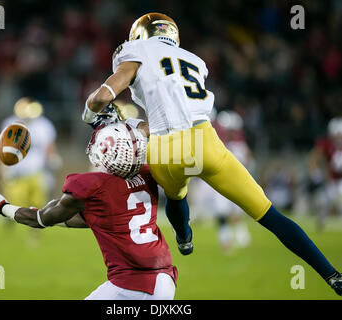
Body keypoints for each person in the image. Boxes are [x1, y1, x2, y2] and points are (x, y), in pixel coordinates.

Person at [81, 12, 342, 296]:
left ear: (141, 34)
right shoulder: (194, 60)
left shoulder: (135, 51)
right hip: (206, 140)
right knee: (270, 215)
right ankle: (332, 275)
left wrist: (89, 110)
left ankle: (184, 238)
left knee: (177, 195)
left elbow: (104, 97)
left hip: (166, 147)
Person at [0, 122, 177, 300]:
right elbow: (90, 219)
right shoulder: (148, 173)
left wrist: (5, 208)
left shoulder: (96, 185)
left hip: (132, 283)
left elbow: (42, 218)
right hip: (165, 278)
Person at [189, 111, 253, 252]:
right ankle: (227, 242)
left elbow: (246, 162)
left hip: (236, 182)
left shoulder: (238, 147)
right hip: (221, 183)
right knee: (222, 213)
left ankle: (242, 238)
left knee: (235, 213)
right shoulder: (220, 144)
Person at [308, 117, 342, 231]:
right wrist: (315, 173)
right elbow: (314, 157)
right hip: (332, 180)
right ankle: (321, 221)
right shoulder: (328, 143)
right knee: (325, 202)